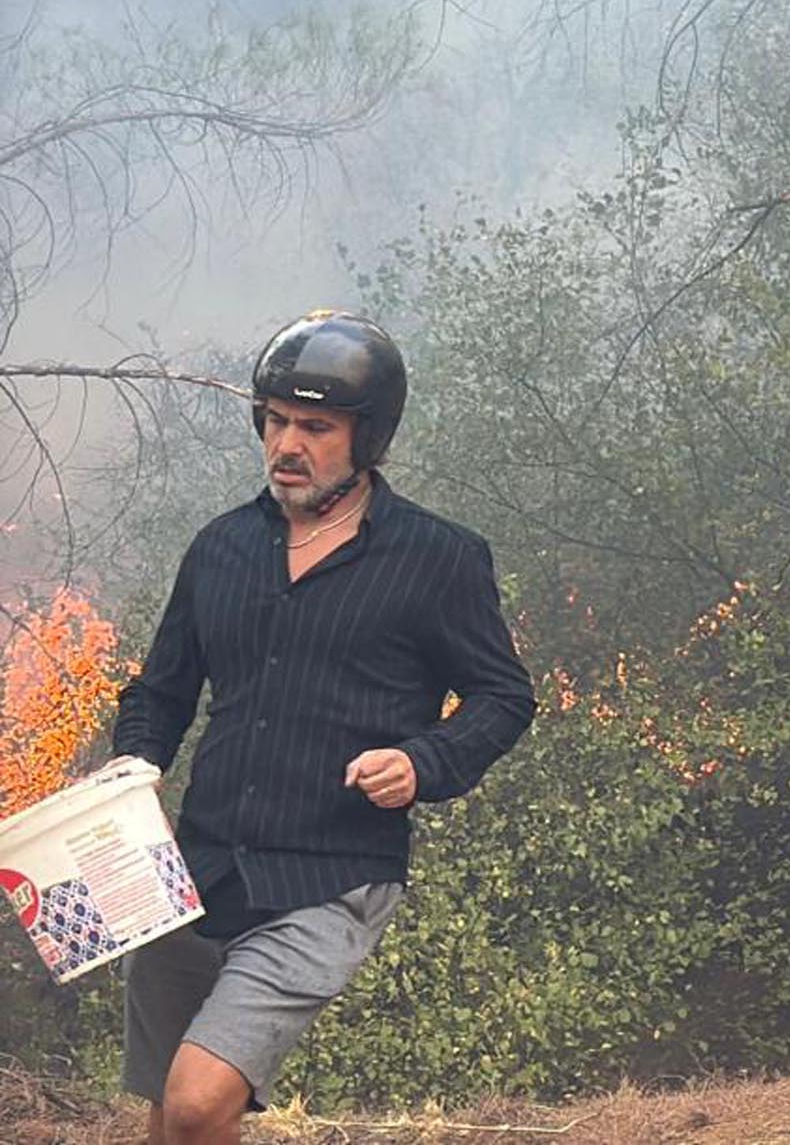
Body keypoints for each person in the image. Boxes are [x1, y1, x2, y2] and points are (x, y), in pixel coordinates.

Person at [106, 311, 534, 1145]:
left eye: (314, 426)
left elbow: (503, 696)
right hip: (193, 871)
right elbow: (158, 695)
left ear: (366, 437)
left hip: (332, 874)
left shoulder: (437, 557)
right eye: (274, 421)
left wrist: (424, 761)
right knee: (168, 1116)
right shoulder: (219, 548)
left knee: (197, 1101)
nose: (286, 444)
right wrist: (135, 767)